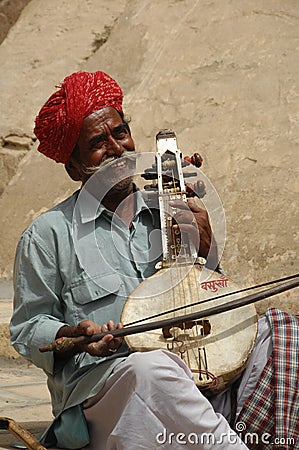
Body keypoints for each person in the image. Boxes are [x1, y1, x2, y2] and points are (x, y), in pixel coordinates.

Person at [10, 71, 298, 450]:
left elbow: (213, 302)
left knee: (282, 332)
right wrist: (73, 338)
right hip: (110, 390)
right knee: (154, 366)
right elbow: (28, 329)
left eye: (120, 133)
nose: (117, 148)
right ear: (75, 168)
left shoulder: (172, 214)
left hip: (198, 380)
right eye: (98, 143)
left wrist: (206, 254)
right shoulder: (47, 235)